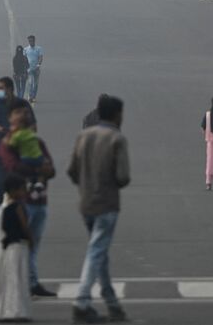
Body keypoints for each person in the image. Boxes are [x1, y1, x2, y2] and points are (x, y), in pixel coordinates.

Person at [67, 95, 130, 324]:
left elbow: (72, 170)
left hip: (86, 202)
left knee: (99, 252)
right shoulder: (117, 138)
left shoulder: (83, 136)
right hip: (107, 204)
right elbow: (123, 177)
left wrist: (87, 183)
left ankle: (112, 303)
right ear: (114, 114)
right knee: (96, 251)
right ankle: (81, 301)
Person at [0, 113, 57, 298]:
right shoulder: (8, 144)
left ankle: (31, 282)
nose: (13, 127)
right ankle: (21, 283)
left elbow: (51, 169)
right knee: (20, 245)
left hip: (40, 200)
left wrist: (42, 170)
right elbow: (12, 167)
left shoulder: (37, 143)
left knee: (33, 245)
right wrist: (39, 169)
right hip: (21, 203)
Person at [0, 77, 33, 212]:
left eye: (1, 88)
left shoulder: (22, 104)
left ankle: (19, 217)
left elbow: (33, 128)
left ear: (10, 89)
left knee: (19, 185)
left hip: (19, 153)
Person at [0, 175, 33, 322]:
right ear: (14, 190)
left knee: (6, 278)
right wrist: (31, 239)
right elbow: (24, 227)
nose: (25, 191)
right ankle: (15, 310)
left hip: (7, 247)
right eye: (23, 189)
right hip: (18, 246)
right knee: (16, 278)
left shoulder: (4, 206)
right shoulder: (18, 207)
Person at [25, 35, 44, 104]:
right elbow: (24, 59)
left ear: (34, 41)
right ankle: (30, 96)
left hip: (36, 68)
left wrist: (38, 65)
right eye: (29, 41)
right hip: (29, 68)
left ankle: (34, 97)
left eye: (31, 41)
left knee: (35, 83)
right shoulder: (26, 49)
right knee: (30, 82)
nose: (30, 42)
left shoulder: (39, 48)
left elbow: (41, 57)